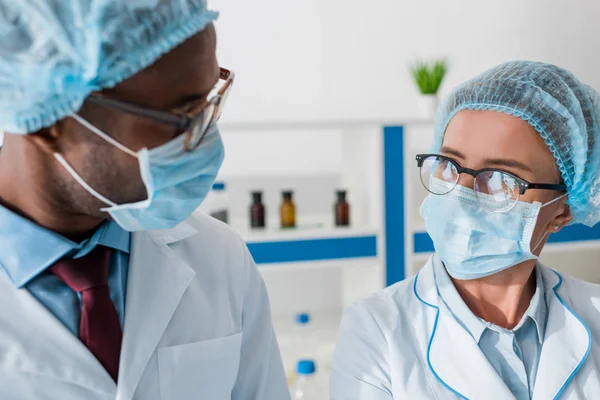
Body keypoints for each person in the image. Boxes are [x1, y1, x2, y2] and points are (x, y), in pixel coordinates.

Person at [0, 1, 289, 399]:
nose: (203, 139)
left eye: (207, 103)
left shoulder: (219, 258)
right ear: (49, 121)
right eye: (178, 116)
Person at [330, 61, 600, 400]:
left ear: (562, 209)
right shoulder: (377, 330)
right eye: (450, 166)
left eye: (502, 178)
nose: (463, 195)